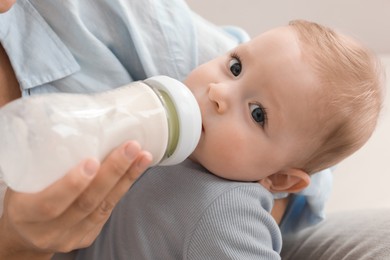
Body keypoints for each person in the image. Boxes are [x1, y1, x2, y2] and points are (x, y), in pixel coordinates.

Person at [0, 0, 383, 259]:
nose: (218, 93)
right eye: (234, 67)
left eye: (257, 114)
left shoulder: (228, 214)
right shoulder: (164, 141)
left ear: (280, 178)